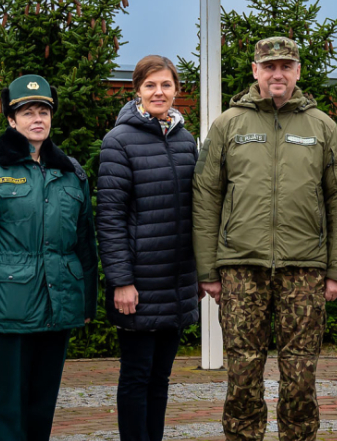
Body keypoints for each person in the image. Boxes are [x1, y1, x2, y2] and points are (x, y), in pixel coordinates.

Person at [192, 36, 337, 441]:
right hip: (240, 268)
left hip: (304, 269)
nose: (277, 74)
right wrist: (208, 269)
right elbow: (206, 194)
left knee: (301, 375)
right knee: (242, 373)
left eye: (285, 66)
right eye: (269, 67)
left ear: (298, 71)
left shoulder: (322, 126)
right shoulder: (228, 124)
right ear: (255, 71)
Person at [0, 74, 97, 441]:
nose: (37, 119)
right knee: (11, 407)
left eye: (43, 112)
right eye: (28, 112)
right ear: (11, 119)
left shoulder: (71, 173)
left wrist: (86, 302)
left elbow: (84, 242)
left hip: (58, 304)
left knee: (42, 406)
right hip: (8, 304)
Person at [97, 55, 200, 441]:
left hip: (176, 281)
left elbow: (197, 213)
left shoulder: (186, 140)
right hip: (138, 284)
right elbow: (110, 218)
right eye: (150, 85)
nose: (159, 92)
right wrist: (121, 281)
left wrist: (198, 274)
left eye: (166, 85)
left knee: (160, 378)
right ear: (137, 90)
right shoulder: (118, 141)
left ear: (176, 90)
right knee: (137, 376)